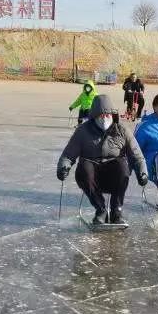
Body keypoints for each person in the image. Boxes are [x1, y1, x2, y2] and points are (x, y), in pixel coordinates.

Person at [57, 95, 148, 225]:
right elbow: (68, 154)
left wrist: (142, 172)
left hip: (114, 177)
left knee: (122, 165)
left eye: (107, 115)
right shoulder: (83, 131)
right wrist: (63, 167)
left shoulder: (122, 130)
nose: (104, 118)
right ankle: (101, 210)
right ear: (94, 116)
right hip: (92, 178)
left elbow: (137, 155)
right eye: (101, 115)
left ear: (112, 114)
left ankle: (116, 210)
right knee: (84, 167)